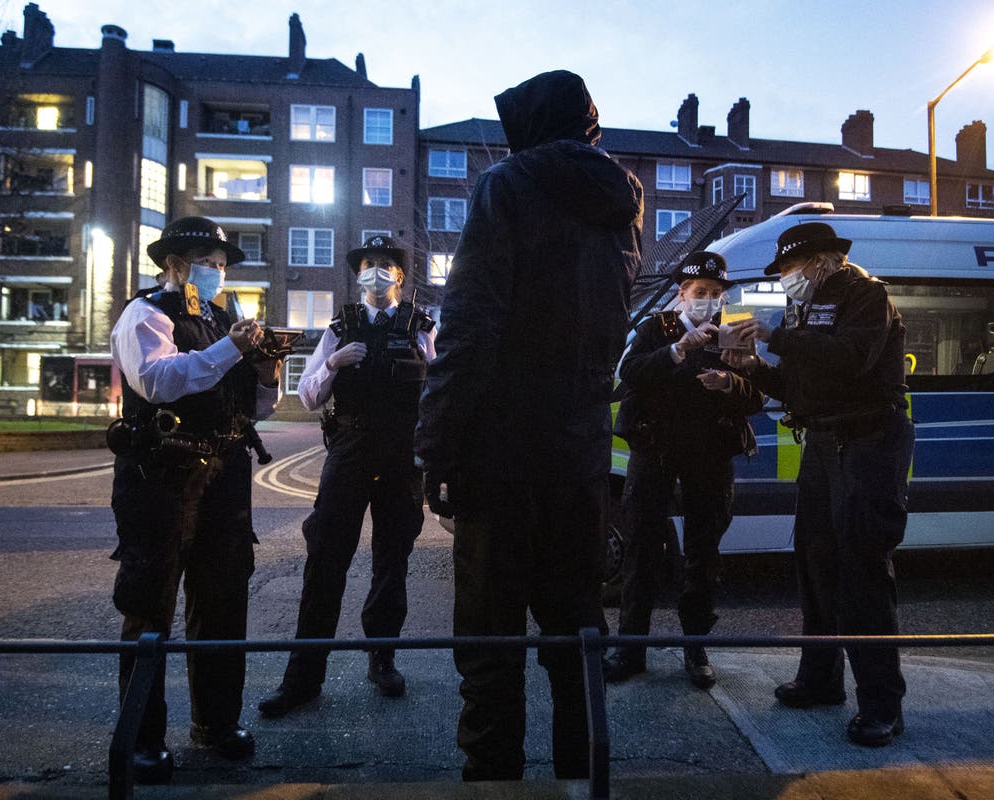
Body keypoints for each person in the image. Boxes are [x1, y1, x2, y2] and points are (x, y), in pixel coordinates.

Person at [414, 69, 644, 782]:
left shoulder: (507, 187)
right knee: (576, 624)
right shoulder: (621, 202)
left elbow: (472, 325)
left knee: (490, 635)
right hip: (578, 447)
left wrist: (437, 443)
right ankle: (582, 776)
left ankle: (493, 780)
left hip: (501, 448)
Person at [109, 216, 282, 783]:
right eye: (208, 261)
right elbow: (158, 381)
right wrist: (229, 352)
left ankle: (216, 722)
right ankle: (141, 738)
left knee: (223, 600)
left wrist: (264, 370)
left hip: (224, 476)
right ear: (175, 264)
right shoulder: (146, 314)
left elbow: (255, 411)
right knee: (150, 601)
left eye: (222, 264)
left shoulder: (224, 322)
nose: (217, 272)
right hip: (161, 476)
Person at [729, 221, 915, 748]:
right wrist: (750, 369)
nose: (785, 279)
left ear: (820, 260)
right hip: (824, 443)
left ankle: (881, 705)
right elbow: (797, 382)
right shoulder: (804, 307)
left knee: (862, 570)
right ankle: (821, 678)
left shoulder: (866, 295)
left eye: (788, 269)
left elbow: (852, 359)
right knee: (816, 564)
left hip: (870, 440)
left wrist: (775, 335)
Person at [258, 235, 436, 717]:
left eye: (384, 265)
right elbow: (308, 394)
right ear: (359, 275)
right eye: (368, 264)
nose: (375, 271)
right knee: (326, 557)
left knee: (391, 558)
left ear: (399, 276)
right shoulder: (341, 326)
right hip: (351, 448)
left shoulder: (421, 327)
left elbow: (439, 391)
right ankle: (303, 677)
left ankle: (383, 659)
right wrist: (334, 362)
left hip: (401, 454)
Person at [603, 251, 764, 689]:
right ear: (682, 294)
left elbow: (757, 397)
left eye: (716, 293)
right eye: (700, 293)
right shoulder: (658, 328)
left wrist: (734, 381)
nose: (708, 300)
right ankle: (630, 649)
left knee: (702, 553)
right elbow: (631, 374)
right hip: (655, 449)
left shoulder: (732, 333)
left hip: (709, 454)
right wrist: (677, 351)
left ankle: (696, 649)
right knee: (641, 548)